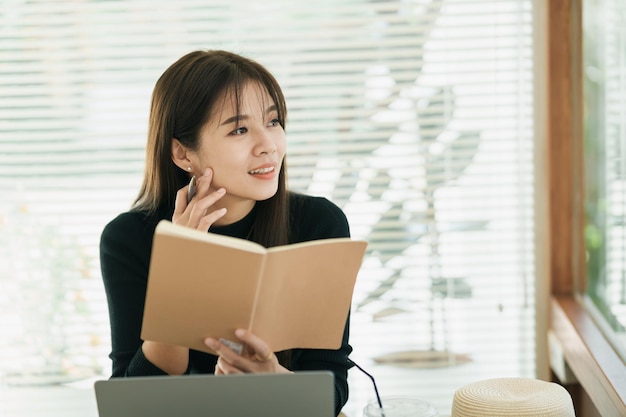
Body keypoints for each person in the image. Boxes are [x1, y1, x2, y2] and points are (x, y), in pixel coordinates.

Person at [99, 49, 353, 415]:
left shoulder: (319, 223)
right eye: (239, 129)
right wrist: (178, 271)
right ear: (184, 154)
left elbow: (331, 390)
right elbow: (132, 404)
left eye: (273, 121)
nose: (268, 145)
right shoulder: (128, 238)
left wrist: (275, 380)